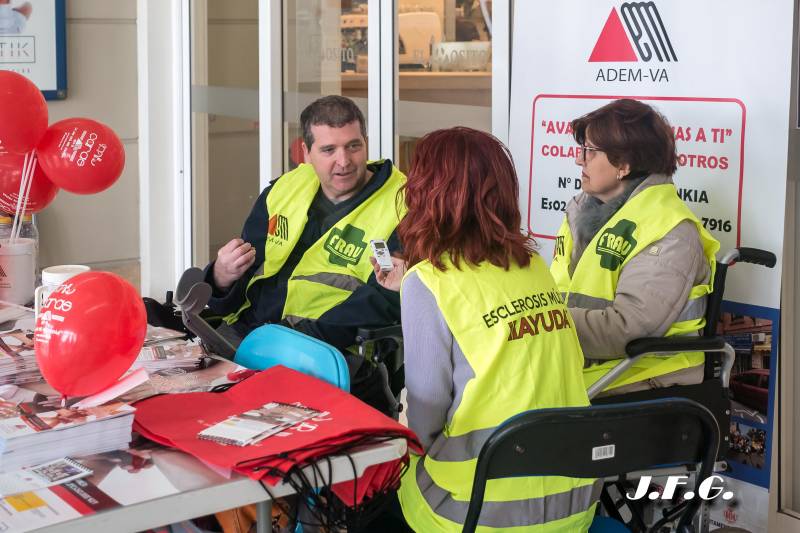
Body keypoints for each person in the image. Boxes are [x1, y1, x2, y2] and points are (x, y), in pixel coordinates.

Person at [373, 127, 598, 532]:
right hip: (575, 502)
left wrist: (416, 283)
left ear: (426, 194)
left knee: (369, 502)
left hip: (474, 510)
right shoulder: (533, 267)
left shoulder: (428, 284)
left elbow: (423, 422)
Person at [205, 95, 404, 356]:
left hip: (327, 354)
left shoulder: (401, 206)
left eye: (353, 146)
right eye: (329, 150)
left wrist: (298, 339)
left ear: (366, 144)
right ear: (306, 153)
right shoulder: (286, 188)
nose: (344, 161)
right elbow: (250, 270)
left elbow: (386, 301)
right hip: (249, 337)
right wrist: (220, 278)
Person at [551, 99, 719, 395]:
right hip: (586, 363)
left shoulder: (671, 230)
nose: (579, 160)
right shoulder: (580, 212)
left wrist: (543, 323)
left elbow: (627, 329)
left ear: (623, 164)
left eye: (590, 151)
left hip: (646, 377)